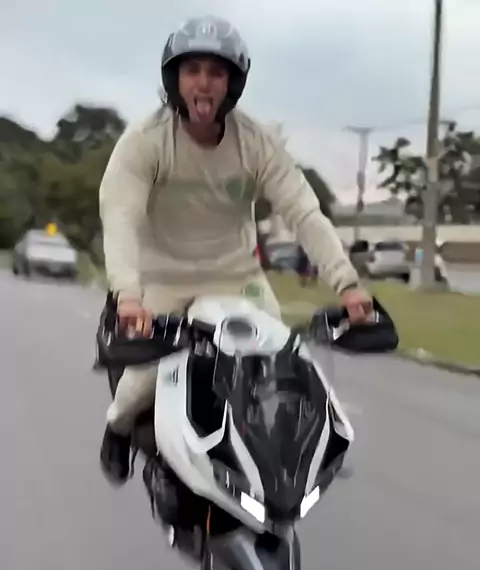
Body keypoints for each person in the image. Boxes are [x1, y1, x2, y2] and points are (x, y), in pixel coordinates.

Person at [98, 15, 373, 485]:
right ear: (175, 78)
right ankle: (117, 431)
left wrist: (348, 286)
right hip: (165, 279)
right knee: (141, 380)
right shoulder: (145, 142)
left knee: (285, 361)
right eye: (193, 70)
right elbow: (120, 216)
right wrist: (128, 296)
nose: (204, 83)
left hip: (237, 278)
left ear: (233, 82)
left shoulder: (257, 142)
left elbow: (304, 212)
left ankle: (295, 458)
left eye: (217, 72)